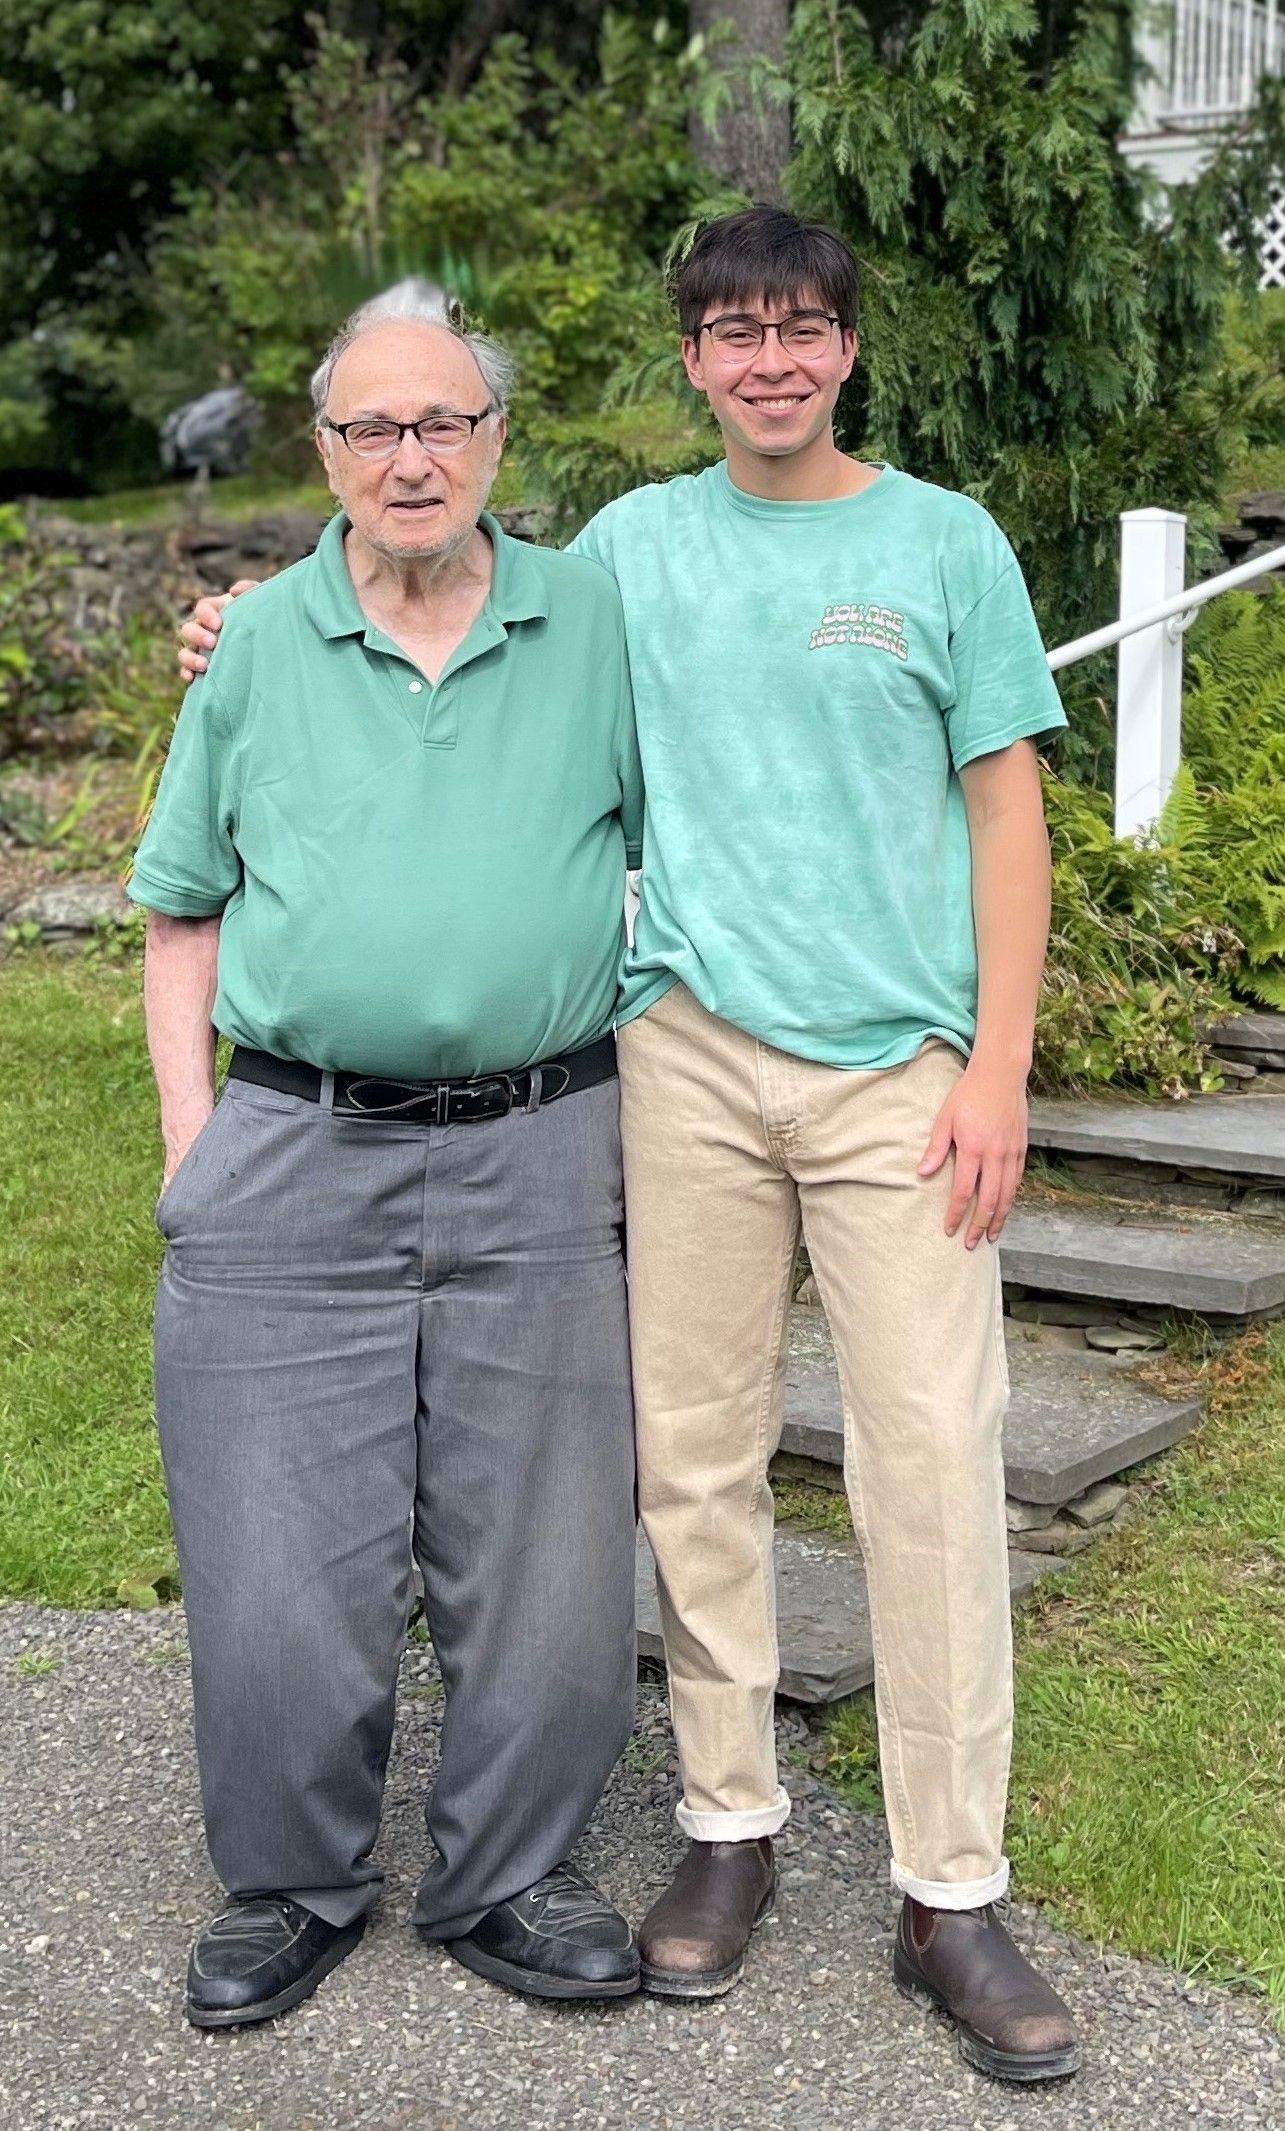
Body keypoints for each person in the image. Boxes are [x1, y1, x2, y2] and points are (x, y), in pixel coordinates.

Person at [180, 207, 1081, 2083]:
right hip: (676, 1063)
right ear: (690, 361)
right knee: (689, 1464)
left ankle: (952, 1887)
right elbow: (408, 555)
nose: (771, 359)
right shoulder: (628, 562)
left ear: (847, 349)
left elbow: (1006, 813)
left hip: (899, 1075)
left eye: (804, 330)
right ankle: (727, 1828)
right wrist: (241, 618)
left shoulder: (943, 544)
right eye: (735, 331)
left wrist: (997, 1064)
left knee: (931, 1458)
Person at [136, 289, 645, 2028]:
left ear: (500, 443)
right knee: (278, 1549)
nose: (410, 456)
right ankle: (290, 1882)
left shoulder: (596, 622)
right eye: (373, 430)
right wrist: (194, 1143)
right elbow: (178, 908)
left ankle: (509, 1878)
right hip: (294, 1146)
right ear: (327, 454)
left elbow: (706, 841)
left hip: (547, 1144)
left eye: (444, 423)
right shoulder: (260, 640)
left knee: (556, 1552)